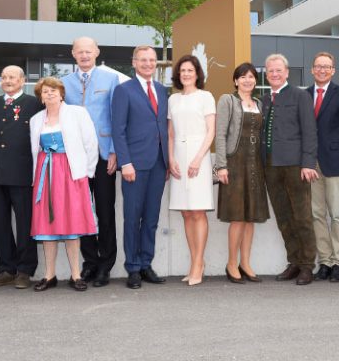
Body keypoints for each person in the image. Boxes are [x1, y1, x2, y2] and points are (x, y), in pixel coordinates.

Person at [29, 78, 99, 292]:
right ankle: (49, 275)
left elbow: (90, 143)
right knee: (47, 227)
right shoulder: (36, 119)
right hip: (45, 173)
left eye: (53, 90)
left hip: (71, 174)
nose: (49, 94)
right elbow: (34, 150)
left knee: (71, 224)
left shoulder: (77, 113)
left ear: (61, 93)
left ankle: (76, 274)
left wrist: (86, 173)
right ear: (40, 97)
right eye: (45, 91)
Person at [61, 36, 120, 288]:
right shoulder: (64, 83)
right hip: (76, 157)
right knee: (81, 210)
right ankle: (89, 263)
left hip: (104, 154)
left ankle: (106, 265)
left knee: (105, 211)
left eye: (89, 51)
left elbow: (117, 116)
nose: (85, 55)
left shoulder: (110, 79)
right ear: (73, 54)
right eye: (80, 52)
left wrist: (116, 150)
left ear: (97, 52)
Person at [111, 45, 169, 289]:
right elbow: (118, 129)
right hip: (134, 164)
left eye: (151, 60)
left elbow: (163, 125)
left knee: (152, 218)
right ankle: (132, 268)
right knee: (132, 217)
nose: (147, 64)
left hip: (158, 163)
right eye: (143, 60)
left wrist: (168, 161)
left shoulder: (161, 90)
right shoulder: (124, 91)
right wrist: (125, 162)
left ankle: (146, 264)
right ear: (134, 63)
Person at [0, 66, 43, 289]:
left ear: (22, 80)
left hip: (23, 174)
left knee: (26, 222)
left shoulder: (35, 104)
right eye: (4, 77)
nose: (8, 81)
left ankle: (25, 270)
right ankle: (6, 269)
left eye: (12, 77)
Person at [261, 53, 319, 286]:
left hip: (295, 165)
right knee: (283, 217)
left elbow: (310, 132)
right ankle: (294, 261)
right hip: (271, 166)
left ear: (286, 72)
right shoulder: (265, 99)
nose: (274, 74)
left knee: (302, 216)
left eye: (278, 70)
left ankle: (307, 265)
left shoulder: (300, 96)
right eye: (270, 71)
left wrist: (308, 163)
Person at [215, 63, 269, 284]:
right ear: (235, 80)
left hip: (255, 164)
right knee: (237, 217)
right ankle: (231, 263)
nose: (248, 80)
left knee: (250, 218)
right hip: (235, 162)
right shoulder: (227, 100)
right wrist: (221, 166)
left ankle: (245, 263)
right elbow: (219, 135)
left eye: (251, 77)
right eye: (243, 77)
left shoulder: (258, 103)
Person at [306, 52, 339, 283]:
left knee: (337, 214)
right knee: (317, 214)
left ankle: (338, 263)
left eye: (327, 67)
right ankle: (324, 261)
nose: (322, 70)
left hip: (335, 163)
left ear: (333, 70)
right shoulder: (304, 95)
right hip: (311, 164)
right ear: (312, 70)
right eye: (318, 66)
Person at [167, 55, 216, 286]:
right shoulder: (173, 99)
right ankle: (195, 262)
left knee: (198, 211)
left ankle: (198, 263)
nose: (186, 74)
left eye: (190, 70)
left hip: (199, 155)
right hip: (178, 156)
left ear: (197, 74)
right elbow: (171, 133)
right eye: (183, 70)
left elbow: (211, 132)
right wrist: (170, 159)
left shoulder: (205, 97)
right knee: (186, 212)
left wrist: (197, 159)